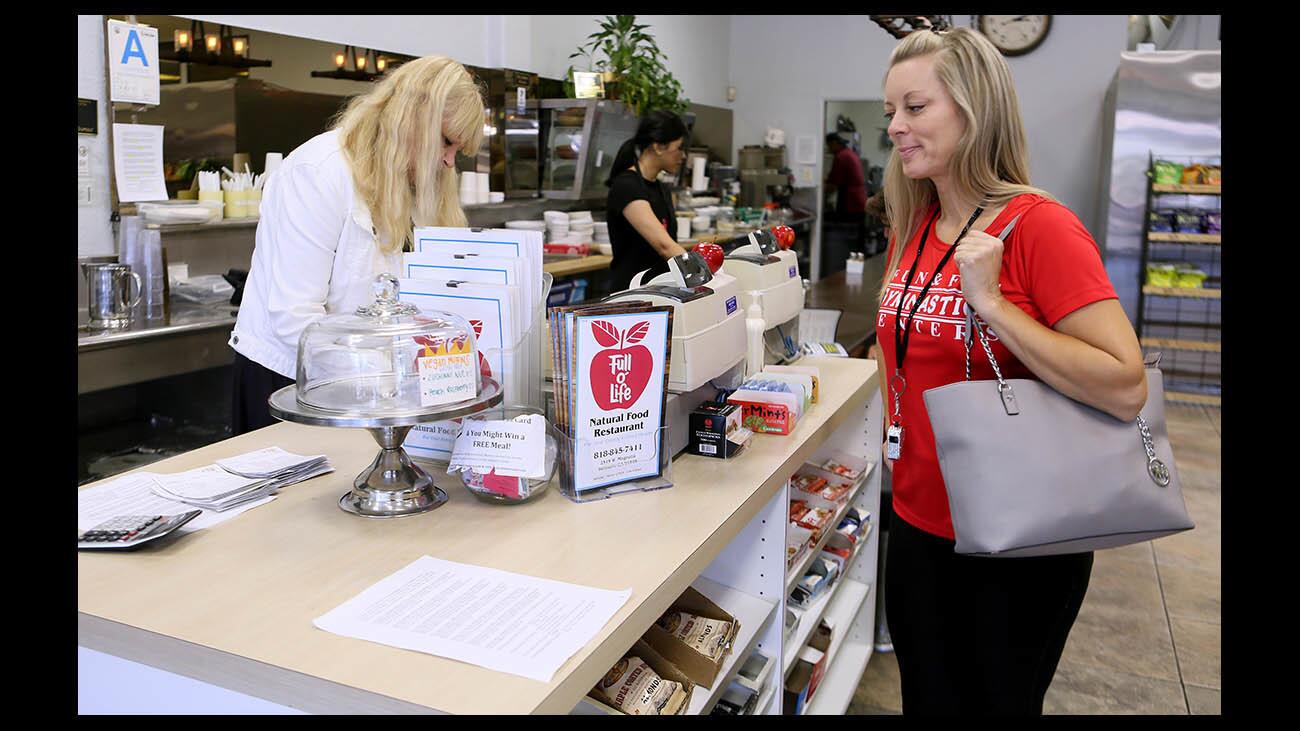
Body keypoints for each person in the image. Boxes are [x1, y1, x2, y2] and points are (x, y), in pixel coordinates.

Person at [874, 28, 1147, 715]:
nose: (896, 128)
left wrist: (991, 303)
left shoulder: (1041, 227)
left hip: (1018, 539)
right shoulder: (917, 225)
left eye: (914, 107)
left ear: (974, 111)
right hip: (916, 521)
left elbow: (1123, 383)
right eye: (891, 113)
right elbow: (901, 349)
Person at [228, 55, 486, 435]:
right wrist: (390, 381)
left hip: (370, 388)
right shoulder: (318, 172)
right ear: (410, 121)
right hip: (287, 385)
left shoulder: (408, 180)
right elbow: (294, 317)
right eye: (446, 143)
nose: (449, 162)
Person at [605, 110, 689, 291]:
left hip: (659, 289)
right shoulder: (627, 186)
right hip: (633, 294)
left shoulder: (660, 188)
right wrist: (700, 274)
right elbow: (664, 246)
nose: (683, 156)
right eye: (679, 148)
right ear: (658, 147)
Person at [824, 132, 868, 252]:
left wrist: (822, 195)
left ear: (834, 143)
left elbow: (834, 184)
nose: (829, 149)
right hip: (859, 200)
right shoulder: (850, 154)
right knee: (858, 236)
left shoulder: (841, 157)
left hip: (851, 202)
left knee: (848, 236)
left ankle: (847, 259)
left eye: (829, 146)